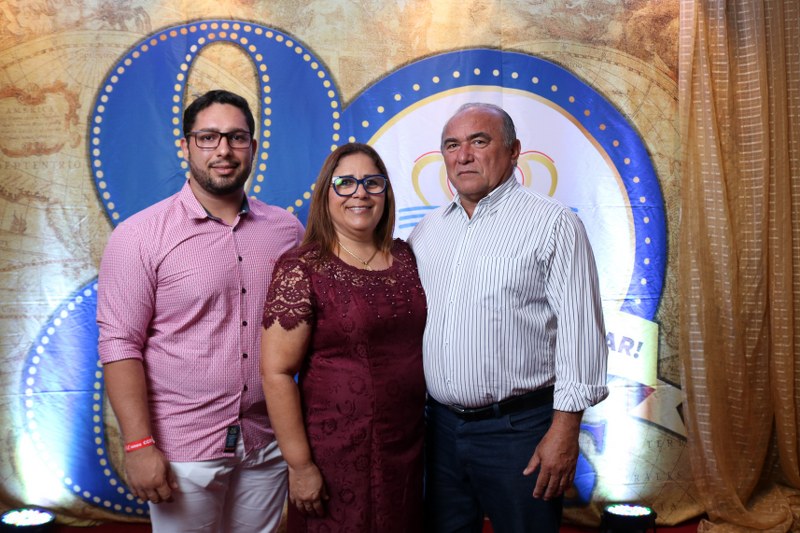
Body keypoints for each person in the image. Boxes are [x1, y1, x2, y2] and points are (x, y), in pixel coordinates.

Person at [97, 89, 304, 532]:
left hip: (266, 442)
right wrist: (138, 445)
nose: (223, 150)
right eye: (208, 137)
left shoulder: (287, 230)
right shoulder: (139, 236)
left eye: (236, 137)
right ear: (186, 146)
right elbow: (119, 345)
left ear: (253, 146)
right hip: (183, 449)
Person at [408, 102, 609, 533]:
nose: (463, 156)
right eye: (452, 145)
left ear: (514, 150)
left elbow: (580, 333)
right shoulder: (426, 232)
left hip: (519, 431)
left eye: (479, 141)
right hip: (439, 429)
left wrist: (564, 431)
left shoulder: (553, 224)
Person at [260, 142, 427, 532]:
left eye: (372, 182)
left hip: (406, 448)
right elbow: (276, 373)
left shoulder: (407, 257)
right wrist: (300, 465)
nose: (360, 193)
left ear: (386, 192)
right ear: (326, 193)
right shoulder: (302, 267)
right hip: (333, 453)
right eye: (345, 183)